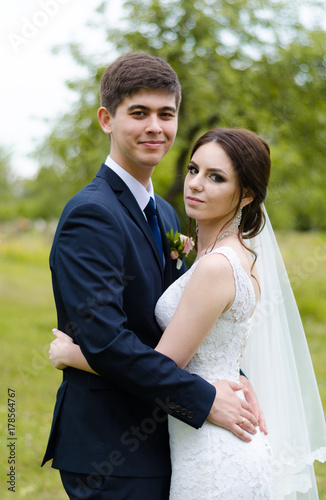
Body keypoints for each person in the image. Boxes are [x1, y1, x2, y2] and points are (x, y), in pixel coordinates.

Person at [50, 128, 326, 498]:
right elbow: (214, 338)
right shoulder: (230, 254)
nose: (196, 184)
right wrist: (238, 375)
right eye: (194, 170)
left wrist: (75, 355)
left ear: (246, 194)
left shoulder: (216, 266)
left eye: (216, 177)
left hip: (213, 451)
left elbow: (168, 361)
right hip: (204, 436)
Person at [42, 53, 262, 500]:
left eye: (167, 114)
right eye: (139, 113)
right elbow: (107, 342)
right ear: (107, 119)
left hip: (168, 437)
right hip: (112, 447)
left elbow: (187, 322)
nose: (155, 128)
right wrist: (205, 398)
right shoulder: (91, 214)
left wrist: (235, 378)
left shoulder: (162, 211)